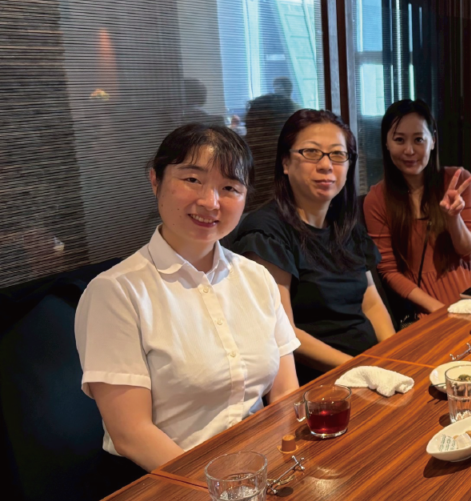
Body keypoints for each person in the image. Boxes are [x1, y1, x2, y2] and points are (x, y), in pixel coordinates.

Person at [75, 124, 300, 472]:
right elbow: (131, 434)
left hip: (259, 464)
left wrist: (283, 460)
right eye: (193, 180)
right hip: (168, 480)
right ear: (155, 180)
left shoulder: (256, 278)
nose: (210, 202)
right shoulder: (117, 292)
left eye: (229, 188)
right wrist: (222, 489)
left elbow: (285, 392)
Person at [228, 109, 395, 381]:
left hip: (372, 367)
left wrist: (393, 355)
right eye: (311, 152)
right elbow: (284, 332)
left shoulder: (345, 222)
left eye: (338, 154)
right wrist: (362, 369)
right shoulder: (266, 232)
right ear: (285, 162)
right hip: (321, 380)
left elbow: (371, 302)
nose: (326, 165)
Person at [363, 99, 471, 314]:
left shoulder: (458, 180)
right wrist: (440, 310)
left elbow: (470, 253)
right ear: (386, 143)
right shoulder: (377, 199)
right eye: (399, 140)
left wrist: (453, 218)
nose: (409, 150)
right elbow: (389, 271)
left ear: (432, 141)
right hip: (430, 305)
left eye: (418, 139)